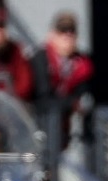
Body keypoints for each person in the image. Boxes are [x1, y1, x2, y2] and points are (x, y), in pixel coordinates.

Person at [30, 11, 94, 152]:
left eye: (71, 31)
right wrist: (71, 103)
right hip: (40, 126)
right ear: (52, 34)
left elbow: (84, 96)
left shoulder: (83, 64)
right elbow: (42, 98)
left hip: (69, 130)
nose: (67, 35)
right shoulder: (40, 59)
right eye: (62, 30)